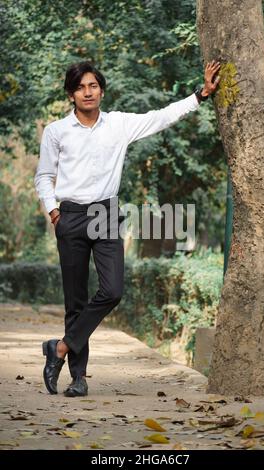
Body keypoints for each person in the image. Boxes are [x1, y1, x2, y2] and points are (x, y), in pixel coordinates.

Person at [34, 60, 221, 397]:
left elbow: (161, 117)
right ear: (71, 94)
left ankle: (59, 348)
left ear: (101, 90)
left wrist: (201, 95)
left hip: (106, 213)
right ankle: (78, 378)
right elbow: (44, 175)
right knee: (75, 302)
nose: (87, 92)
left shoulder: (118, 124)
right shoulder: (56, 131)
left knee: (113, 290)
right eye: (80, 87)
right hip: (71, 216)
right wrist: (53, 210)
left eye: (92, 85)